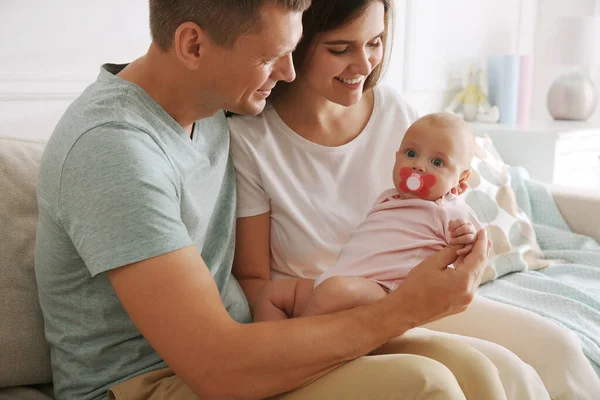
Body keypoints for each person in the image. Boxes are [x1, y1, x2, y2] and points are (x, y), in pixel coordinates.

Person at [34, 1, 501, 400]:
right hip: (147, 382)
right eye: (271, 56)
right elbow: (216, 367)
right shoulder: (112, 152)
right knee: (426, 384)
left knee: (479, 371)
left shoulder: (211, 104)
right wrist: (406, 307)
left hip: (247, 347)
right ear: (193, 46)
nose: (290, 72)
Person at [228, 0, 600, 399]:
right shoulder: (252, 140)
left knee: (559, 349)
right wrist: (321, 305)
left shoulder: (394, 110)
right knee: (505, 373)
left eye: (375, 42)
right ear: (294, 40)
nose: (364, 64)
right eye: (340, 49)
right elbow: (253, 281)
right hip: (331, 313)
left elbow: (443, 198)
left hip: (416, 295)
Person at [253, 113, 484, 321]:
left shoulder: (446, 208)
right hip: (339, 280)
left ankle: (302, 347)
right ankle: (268, 354)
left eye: (437, 162)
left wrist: (466, 237)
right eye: (411, 154)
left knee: (333, 292)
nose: (418, 166)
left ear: (462, 181)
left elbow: (474, 255)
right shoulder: (388, 197)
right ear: (396, 157)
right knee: (273, 295)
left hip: (386, 292)